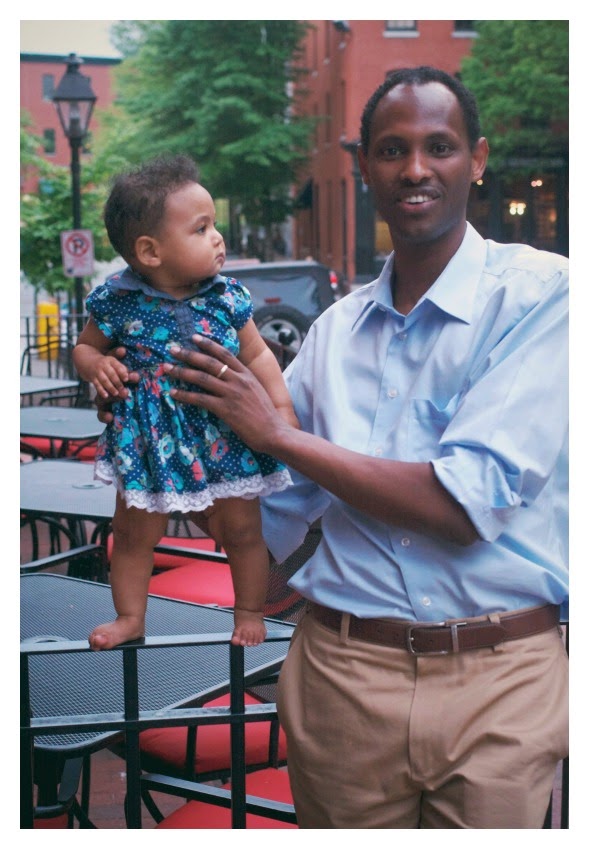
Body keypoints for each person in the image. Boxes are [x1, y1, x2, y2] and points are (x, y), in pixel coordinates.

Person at [99, 67, 568, 828]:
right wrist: (157, 433)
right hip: (340, 675)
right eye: (391, 150)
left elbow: (463, 504)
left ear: (476, 160)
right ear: (364, 169)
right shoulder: (333, 333)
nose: (414, 169)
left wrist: (277, 435)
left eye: (439, 146)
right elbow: (267, 517)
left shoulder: (544, 294)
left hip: (500, 677)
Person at [73, 154, 298, 652]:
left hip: (224, 434)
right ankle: (130, 617)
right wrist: (96, 365)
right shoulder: (117, 301)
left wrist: (281, 413)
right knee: (132, 534)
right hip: (149, 442)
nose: (218, 237)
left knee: (243, 531)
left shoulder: (226, 297)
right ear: (150, 251)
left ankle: (249, 610)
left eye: (213, 225)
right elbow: (85, 347)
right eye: (201, 228)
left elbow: (258, 355)